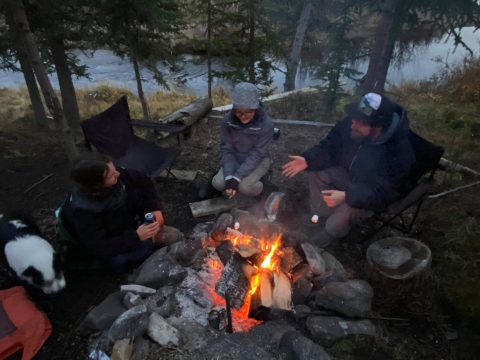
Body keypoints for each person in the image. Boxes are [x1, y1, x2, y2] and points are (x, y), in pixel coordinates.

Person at [282, 93, 415, 247]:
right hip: (349, 176)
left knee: (336, 222)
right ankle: (321, 215)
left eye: (360, 123)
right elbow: (329, 147)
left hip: (370, 195)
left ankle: (330, 232)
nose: (353, 125)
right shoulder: (350, 124)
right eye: (354, 119)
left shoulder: (399, 151)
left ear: (377, 128)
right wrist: (308, 160)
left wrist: (347, 195)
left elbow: (386, 192)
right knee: (318, 172)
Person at [60, 152, 184, 272]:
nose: (118, 174)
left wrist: (154, 208)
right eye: (111, 175)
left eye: (114, 169)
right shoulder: (84, 212)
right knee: (126, 256)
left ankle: (147, 229)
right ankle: (147, 239)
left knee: (137, 191)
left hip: (119, 217)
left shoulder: (111, 173)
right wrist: (136, 237)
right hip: (109, 237)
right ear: (96, 185)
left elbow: (144, 181)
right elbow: (99, 247)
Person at [199, 82, 274, 199]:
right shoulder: (227, 120)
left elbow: (258, 154)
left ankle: (264, 186)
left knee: (244, 187)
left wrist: (237, 178)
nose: (243, 116)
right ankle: (221, 179)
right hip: (236, 158)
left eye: (248, 112)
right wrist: (229, 177)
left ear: (255, 108)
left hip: (259, 160)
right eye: (239, 112)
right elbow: (227, 149)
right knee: (219, 184)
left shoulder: (267, 124)